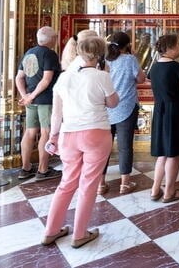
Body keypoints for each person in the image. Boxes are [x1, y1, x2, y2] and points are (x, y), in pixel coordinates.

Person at [41, 36, 118, 249]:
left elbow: (57, 113)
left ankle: (51, 231)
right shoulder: (102, 76)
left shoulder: (64, 78)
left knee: (66, 183)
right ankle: (80, 234)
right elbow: (113, 103)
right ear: (101, 54)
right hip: (96, 132)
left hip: (68, 134)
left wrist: (53, 137)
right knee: (88, 184)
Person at [97, 31, 146, 196]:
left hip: (105, 109)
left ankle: (100, 184)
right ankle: (125, 183)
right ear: (127, 45)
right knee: (125, 147)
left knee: (103, 147)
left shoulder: (105, 60)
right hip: (126, 107)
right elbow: (140, 79)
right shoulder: (130, 59)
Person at [147, 34, 179, 203]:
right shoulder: (178, 67)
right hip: (176, 111)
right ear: (170, 48)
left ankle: (155, 189)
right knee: (174, 154)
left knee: (163, 153)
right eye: (178, 44)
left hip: (160, 111)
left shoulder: (154, 68)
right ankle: (169, 191)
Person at [15, 26, 62, 181]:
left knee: (29, 132)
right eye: (55, 37)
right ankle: (42, 170)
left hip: (31, 99)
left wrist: (26, 96)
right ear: (51, 39)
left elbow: (19, 78)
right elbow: (46, 80)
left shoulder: (29, 53)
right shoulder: (50, 54)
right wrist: (32, 95)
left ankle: (25, 168)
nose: (56, 39)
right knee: (46, 132)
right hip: (45, 99)